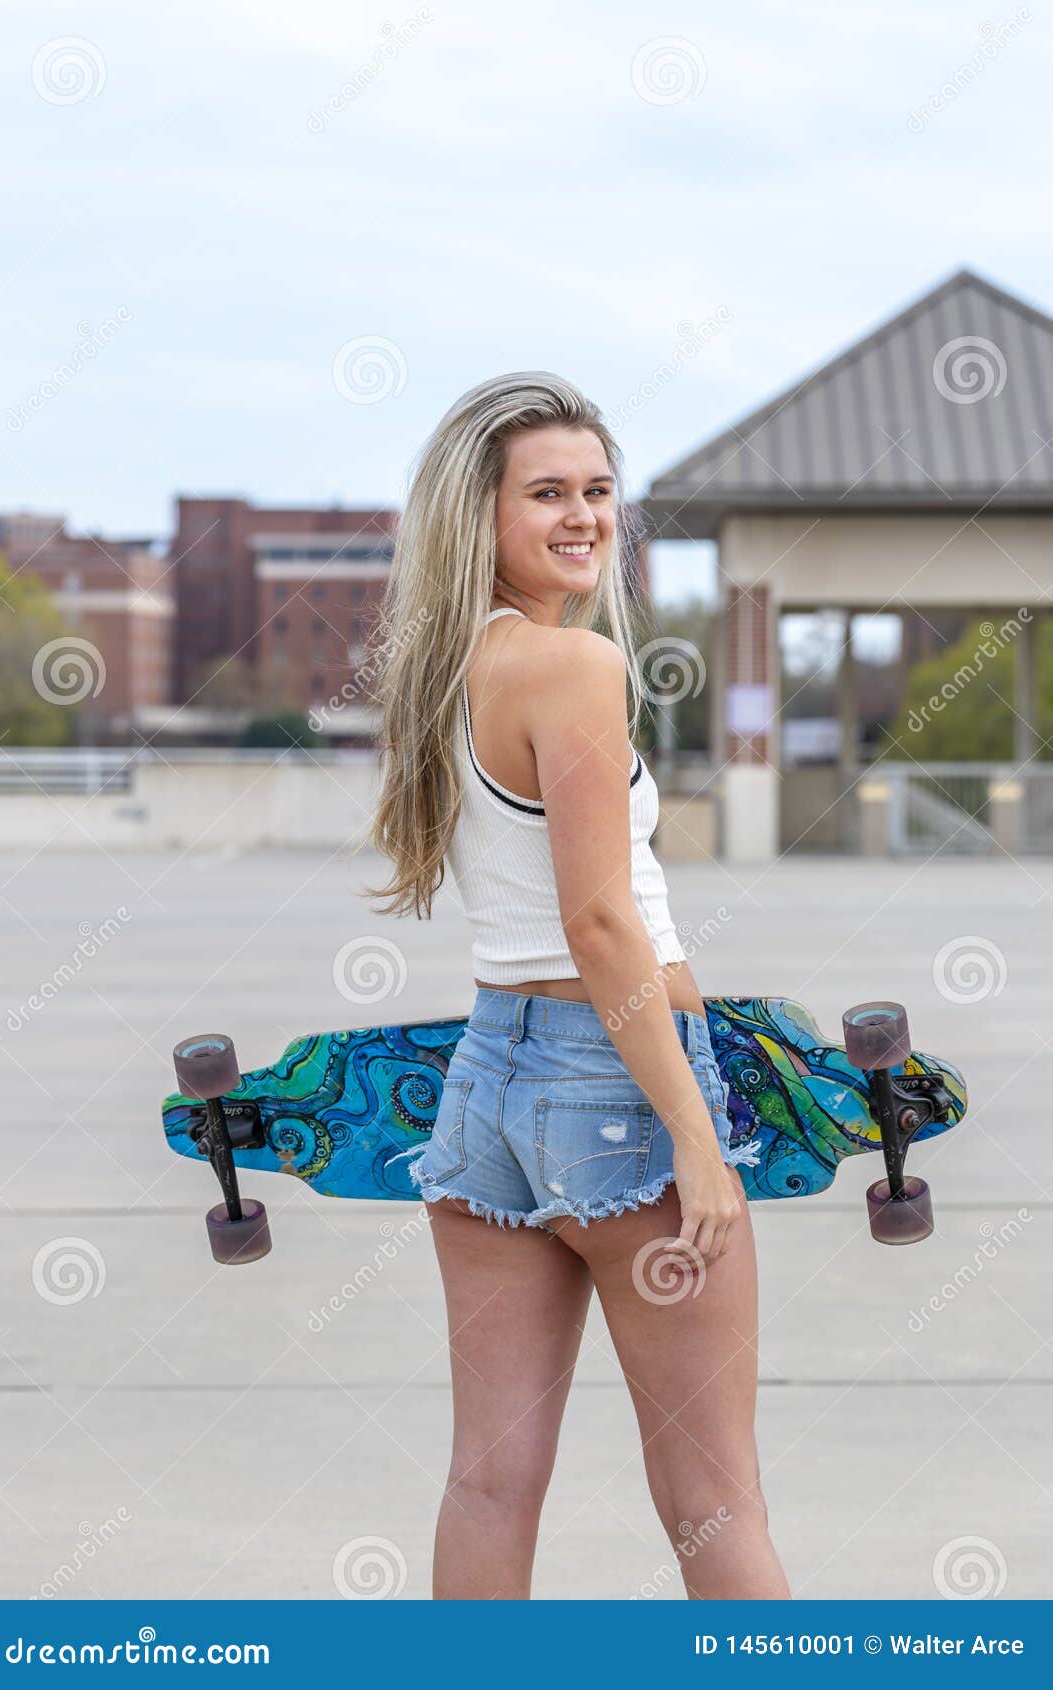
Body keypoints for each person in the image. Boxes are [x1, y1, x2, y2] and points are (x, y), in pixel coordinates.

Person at [365, 372, 790, 1600]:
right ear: (480, 517)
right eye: (545, 491)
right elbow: (602, 921)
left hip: (487, 1089)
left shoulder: (449, 669)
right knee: (715, 1496)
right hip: (616, 1083)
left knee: (488, 1482)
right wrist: (693, 1137)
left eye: (598, 491)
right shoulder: (573, 666)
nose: (582, 516)